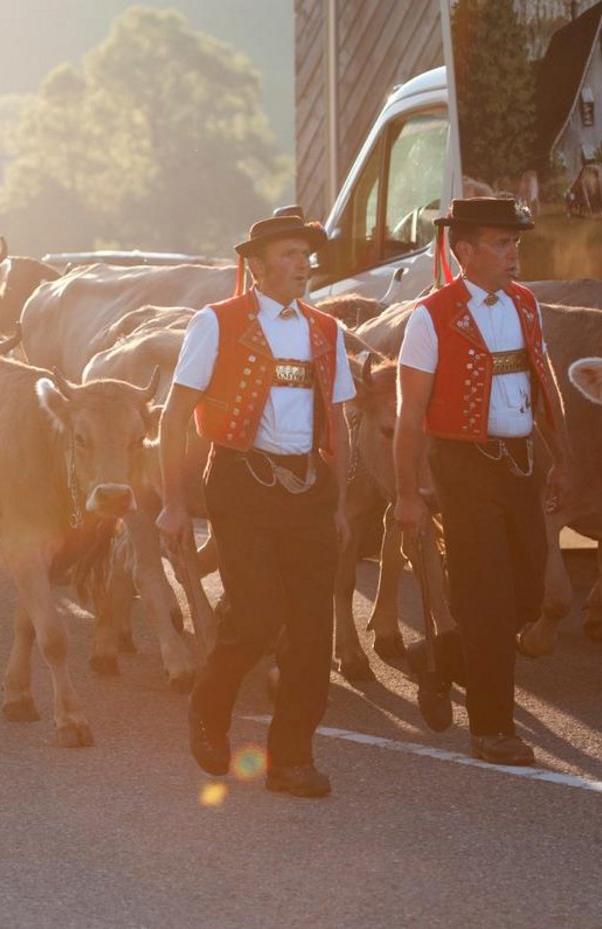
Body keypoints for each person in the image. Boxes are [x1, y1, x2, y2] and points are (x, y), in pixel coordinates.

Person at [157, 207, 354, 798]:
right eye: (290, 255)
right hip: (240, 483)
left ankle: (291, 759)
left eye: (306, 255)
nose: (303, 265)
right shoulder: (216, 322)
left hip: (308, 487)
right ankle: (209, 707)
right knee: (260, 614)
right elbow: (172, 418)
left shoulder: (326, 329)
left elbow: (339, 424)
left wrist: (340, 503)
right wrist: (172, 502)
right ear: (259, 267)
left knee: (315, 629)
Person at [394, 196, 570, 766]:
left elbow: (544, 387)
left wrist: (561, 458)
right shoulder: (431, 314)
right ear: (464, 251)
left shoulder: (525, 303)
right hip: (463, 467)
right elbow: (409, 413)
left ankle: (441, 659)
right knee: (488, 602)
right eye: (501, 243)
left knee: (525, 594)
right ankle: (492, 731)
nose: (514, 252)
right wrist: (405, 495)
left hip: (521, 462)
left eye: (515, 242)